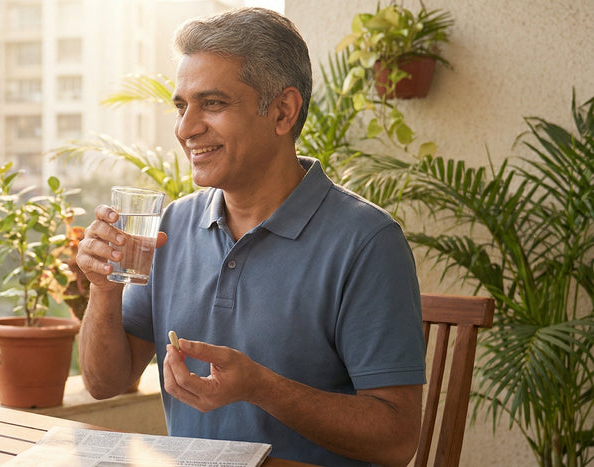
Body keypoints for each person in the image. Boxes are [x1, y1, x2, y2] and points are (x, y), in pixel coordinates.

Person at [75, 8, 426, 466]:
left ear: (283, 112)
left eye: (213, 104)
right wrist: (104, 290)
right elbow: (105, 383)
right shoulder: (171, 228)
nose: (185, 129)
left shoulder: (367, 242)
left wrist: (261, 387)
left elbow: (397, 439)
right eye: (182, 106)